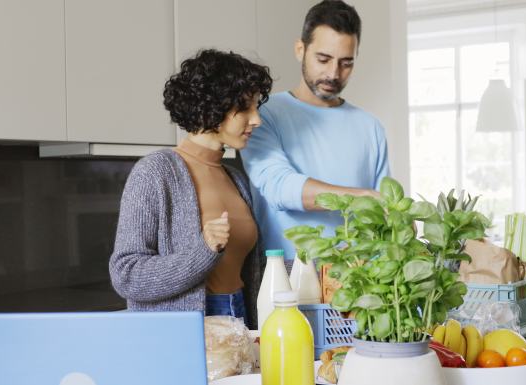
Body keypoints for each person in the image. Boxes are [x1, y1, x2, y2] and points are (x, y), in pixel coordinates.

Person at [109, 49, 272, 329]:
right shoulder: (156, 172)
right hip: (186, 329)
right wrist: (203, 250)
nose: (256, 119)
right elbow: (126, 274)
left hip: (239, 318)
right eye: (245, 107)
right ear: (215, 106)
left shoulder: (237, 179)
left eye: (257, 107)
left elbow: (250, 270)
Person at [241, 0, 390, 260]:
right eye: (323, 59)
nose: (333, 73)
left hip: (358, 279)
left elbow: (383, 214)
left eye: (346, 63)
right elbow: (280, 188)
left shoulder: (371, 127)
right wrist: (363, 196)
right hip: (288, 275)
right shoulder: (263, 114)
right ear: (300, 49)